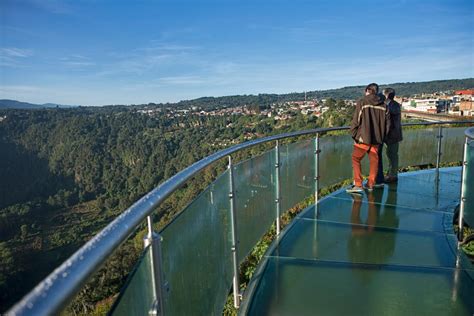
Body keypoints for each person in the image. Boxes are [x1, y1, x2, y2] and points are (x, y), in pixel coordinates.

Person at [347, 83, 390, 194]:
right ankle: (370, 184)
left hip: (363, 139)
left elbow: (356, 121)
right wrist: (382, 137)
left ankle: (358, 184)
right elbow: (388, 125)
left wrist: (355, 135)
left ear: (367, 90)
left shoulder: (362, 102)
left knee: (356, 159)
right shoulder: (384, 106)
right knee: (374, 161)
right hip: (377, 140)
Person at [382, 87, 403, 183]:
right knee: (392, 155)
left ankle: (392, 175)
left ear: (386, 95)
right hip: (394, 134)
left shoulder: (391, 106)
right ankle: (391, 173)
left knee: (392, 155)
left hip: (392, 135)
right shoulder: (395, 105)